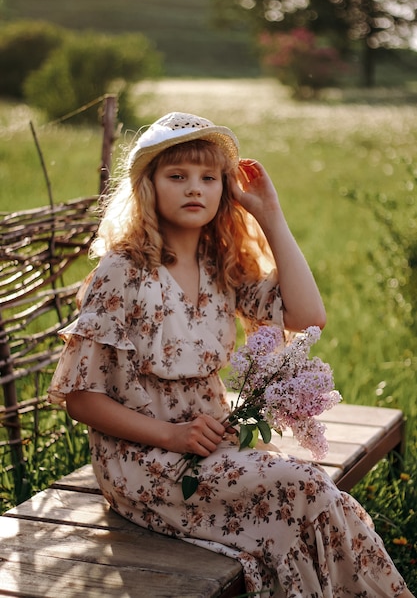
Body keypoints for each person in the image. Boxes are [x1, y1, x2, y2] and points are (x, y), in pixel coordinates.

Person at [48, 111, 413, 597]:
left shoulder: (218, 264)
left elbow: (308, 316)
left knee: (313, 497)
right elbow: (80, 400)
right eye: (177, 176)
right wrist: (172, 435)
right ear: (148, 186)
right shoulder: (124, 272)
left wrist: (271, 215)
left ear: (225, 189)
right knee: (305, 488)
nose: (194, 188)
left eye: (209, 177)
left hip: (213, 444)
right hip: (144, 461)